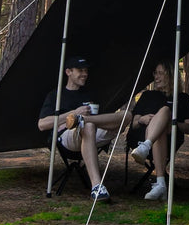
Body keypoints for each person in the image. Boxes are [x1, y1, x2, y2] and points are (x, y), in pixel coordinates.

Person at [38, 56, 126, 202]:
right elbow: (42, 124)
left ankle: (83, 121)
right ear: (68, 72)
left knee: (126, 116)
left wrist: (87, 118)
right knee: (88, 125)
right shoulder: (56, 95)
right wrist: (73, 114)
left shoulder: (89, 95)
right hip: (67, 136)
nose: (84, 74)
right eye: (80, 70)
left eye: (86, 70)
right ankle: (97, 186)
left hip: (91, 133)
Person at [127, 61, 189, 201]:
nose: (156, 77)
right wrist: (142, 120)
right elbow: (133, 124)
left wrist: (173, 124)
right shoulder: (147, 95)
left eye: (160, 73)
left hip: (170, 139)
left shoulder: (183, 98)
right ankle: (160, 183)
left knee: (165, 111)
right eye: (155, 73)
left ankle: (147, 146)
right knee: (160, 130)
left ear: (170, 75)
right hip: (139, 137)